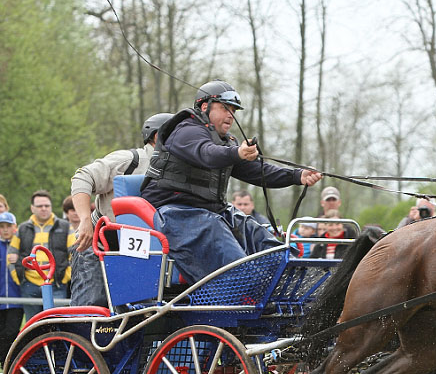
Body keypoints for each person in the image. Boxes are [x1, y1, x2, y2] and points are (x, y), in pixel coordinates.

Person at [140, 80, 321, 284]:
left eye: (234, 110)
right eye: (225, 108)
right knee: (225, 245)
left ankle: (291, 281)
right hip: (174, 212)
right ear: (205, 106)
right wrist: (238, 152)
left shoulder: (226, 141)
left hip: (212, 212)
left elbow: (258, 172)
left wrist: (296, 176)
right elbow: (207, 154)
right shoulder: (186, 130)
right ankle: (246, 290)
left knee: (258, 235)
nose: (231, 115)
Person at [69, 112, 173, 307]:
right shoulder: (129, 160)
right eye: (178, 134)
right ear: (158, 136)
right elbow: (82, 177)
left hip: (139, 253)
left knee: (137, 315)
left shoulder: (176, 171)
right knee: (91, 310)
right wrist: (84, 220)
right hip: (97, 245)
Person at [9, 191, 74, 320]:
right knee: (33, 326)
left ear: (51, 206)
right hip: (29, 285)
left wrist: (65, 277)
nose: (44, 209)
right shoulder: (22, 228)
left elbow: (74, 254)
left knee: (57, 324)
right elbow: (11, 254)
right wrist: (19, 278)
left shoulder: (66, 227)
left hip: (56, 284)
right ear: (32, 208)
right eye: (39, 206)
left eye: (47, 205)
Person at [1, 211, 23, 366]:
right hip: (1, 298)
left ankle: (6, 362)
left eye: (8, 226)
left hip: (17, 299)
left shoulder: (20, 246)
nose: (5, 230)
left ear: (15, 227)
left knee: (11, 332)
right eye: (1, 226)